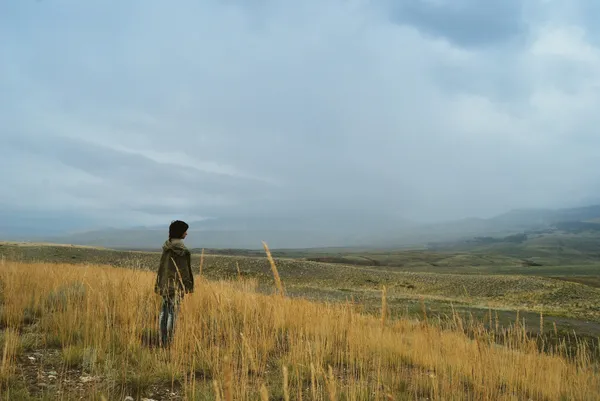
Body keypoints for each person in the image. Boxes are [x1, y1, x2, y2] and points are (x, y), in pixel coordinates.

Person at [154, 220, 194, 347]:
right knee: (173, 313)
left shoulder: (167, 247)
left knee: (164, 311)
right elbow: (184, 271)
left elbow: (162, 268)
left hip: (165, 284)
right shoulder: (182, 250)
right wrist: (187, 287)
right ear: (180, 232)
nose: (186, 233)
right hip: (176, 286)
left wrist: (159, 284)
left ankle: (162, 339)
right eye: (185, 231)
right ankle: (169, 342)